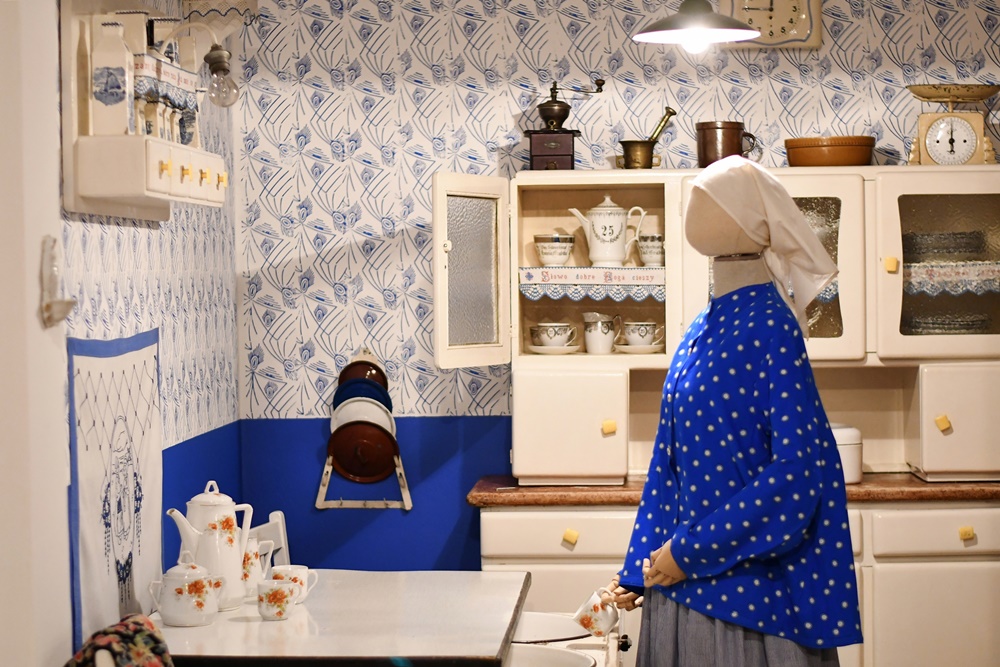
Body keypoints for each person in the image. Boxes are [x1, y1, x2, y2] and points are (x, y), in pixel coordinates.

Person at [604, 155, 862, 665]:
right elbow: (667, 465)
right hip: (681, 589)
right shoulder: (701, 328)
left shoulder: (773, 327)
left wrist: (688, 552)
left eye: (712, 201)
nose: (693, 210)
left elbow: (796, 475)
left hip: (747, 605)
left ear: (752, 220)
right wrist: (640, 568)